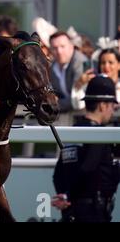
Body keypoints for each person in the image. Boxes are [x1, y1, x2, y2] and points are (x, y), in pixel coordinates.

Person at [52, 75, 120, 222]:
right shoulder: (99, 135)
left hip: (71, 212)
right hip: (93, 212)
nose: (112, 111)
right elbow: (89, 167)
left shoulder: (74, 132)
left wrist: (64, 196)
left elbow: (58, 174)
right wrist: (68, 195)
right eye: (111, 106)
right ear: (102, 105)